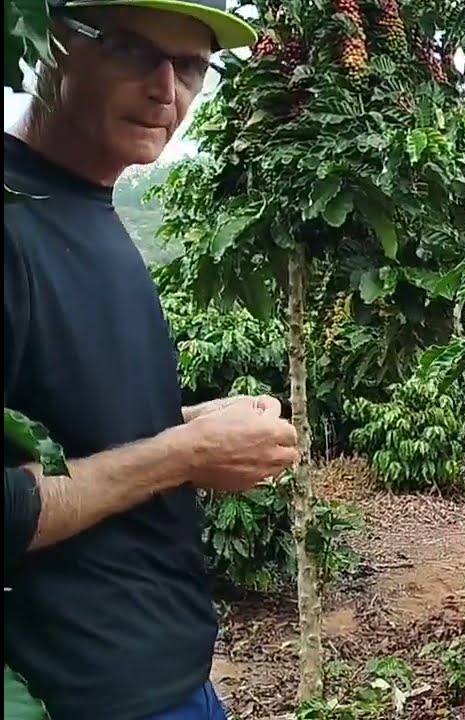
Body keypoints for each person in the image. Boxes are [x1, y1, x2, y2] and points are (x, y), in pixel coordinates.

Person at [2, 2, 300, 719]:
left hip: (167, 676)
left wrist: (194, 424)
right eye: (133, 52)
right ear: (53, 43)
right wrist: (186, 452)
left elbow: (62, 421)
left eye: (191, 67)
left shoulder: (84, 205)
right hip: (80, 693)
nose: (167, 89)